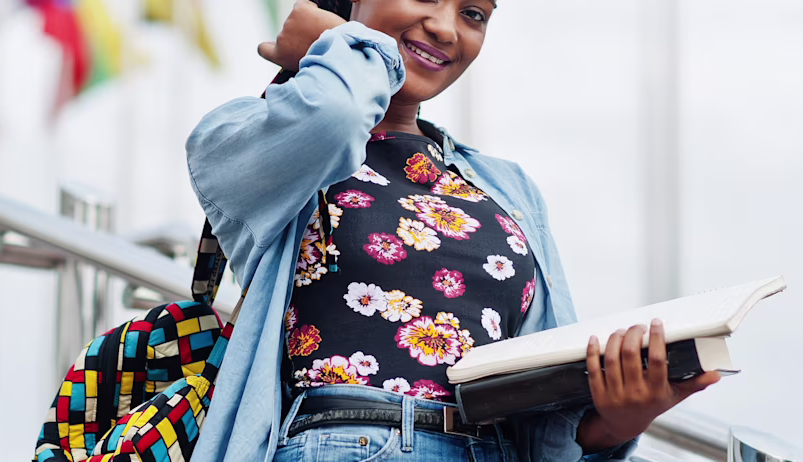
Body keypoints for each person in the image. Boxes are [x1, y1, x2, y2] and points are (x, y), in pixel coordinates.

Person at [184, 0, 721, 460]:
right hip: (343, 440)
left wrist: (620, 420)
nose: (446, 28)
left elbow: (540, 414)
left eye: (473, 14)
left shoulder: (506, 187)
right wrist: (335, 39)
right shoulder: (247, 134)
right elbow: (335, 113)